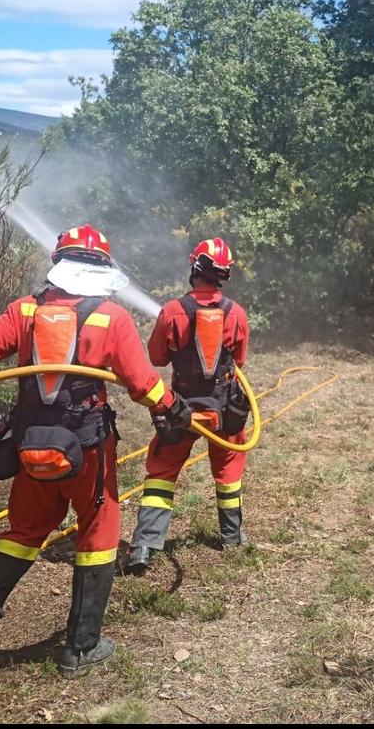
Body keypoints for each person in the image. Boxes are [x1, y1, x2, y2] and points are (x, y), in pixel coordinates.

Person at [0, 224, 191, 678]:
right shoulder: (110, 318)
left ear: (59, 264)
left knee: (22, 532)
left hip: (31, 448)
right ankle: (81, 648)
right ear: (102, 268)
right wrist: (173, 408)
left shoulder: (24, 311)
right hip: (87, 451)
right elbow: (143, 384)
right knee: (99, 532)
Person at [125, 237, 250, 574]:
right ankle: (232, 537)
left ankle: (144, 547)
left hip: (180, 411)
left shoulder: (172, 311)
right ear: (223, 274)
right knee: (229, 471)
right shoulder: (236, 313)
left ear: (194, 268)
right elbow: (239, 359)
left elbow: (155, 357)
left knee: (161, 474)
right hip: (223, 413)